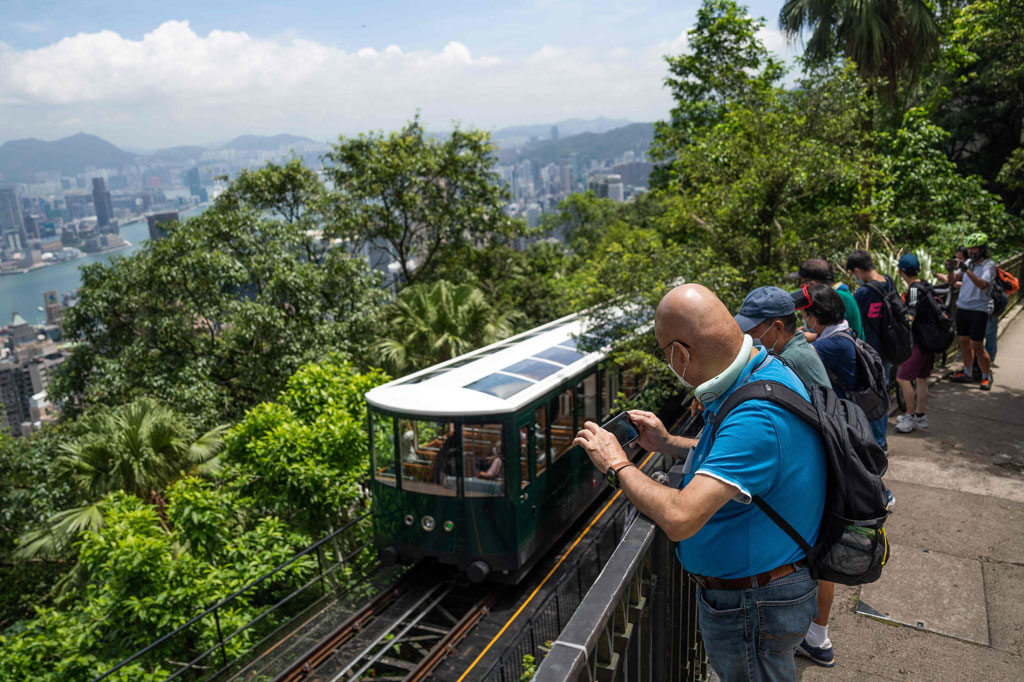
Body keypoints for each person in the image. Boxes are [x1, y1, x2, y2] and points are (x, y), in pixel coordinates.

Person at [573, 283, 826, 682]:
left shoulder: (755, 415)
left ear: (680, 353)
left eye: (664, 353)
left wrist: (617, 465)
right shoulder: (761, 372)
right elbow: (734, 457)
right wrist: (667, 443)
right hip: (759, 590)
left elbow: (680, 517)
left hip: (753, 604)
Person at [845, 249, 895, 450]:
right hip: (888, 347)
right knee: (882, 392)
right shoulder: (888, 281)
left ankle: (876, 443)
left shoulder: (863, 293)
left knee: (870, 397)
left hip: (871, 352)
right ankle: (880, 440)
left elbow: (853, 321)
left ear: (857, 270)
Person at [734, 286, 831, 388]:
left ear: (778, 328)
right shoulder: (799, 346)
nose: (749, 338)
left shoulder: (787, 362)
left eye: (752, 332)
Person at [949, 232, 996, 390]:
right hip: (963, 307)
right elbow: (953, 279)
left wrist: (967, 270)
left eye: (975, 249)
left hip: (979, 309)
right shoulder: (968, 262)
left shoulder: (989, 265)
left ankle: (985, 375)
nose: (972, 253)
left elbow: (982, 284)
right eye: (970, 250)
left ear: (982, 250)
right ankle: (967, 372)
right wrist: (951, 270)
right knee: (964, 342)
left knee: (977, 345)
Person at [893, 254, 933, 433]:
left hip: (919, 342)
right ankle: (920, 416)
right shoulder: (926, 285)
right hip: (930, 341)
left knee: (902, 377)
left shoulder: (915, 290)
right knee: (922, 378)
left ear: (900, 271)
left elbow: (911, 316)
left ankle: (909, 416)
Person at [794, 258, 864, 341]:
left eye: (802, 284)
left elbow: (835, 332)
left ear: (811, 284)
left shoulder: (837, 298)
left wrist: (807, 336)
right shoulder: (839, 294)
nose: (801, 288)